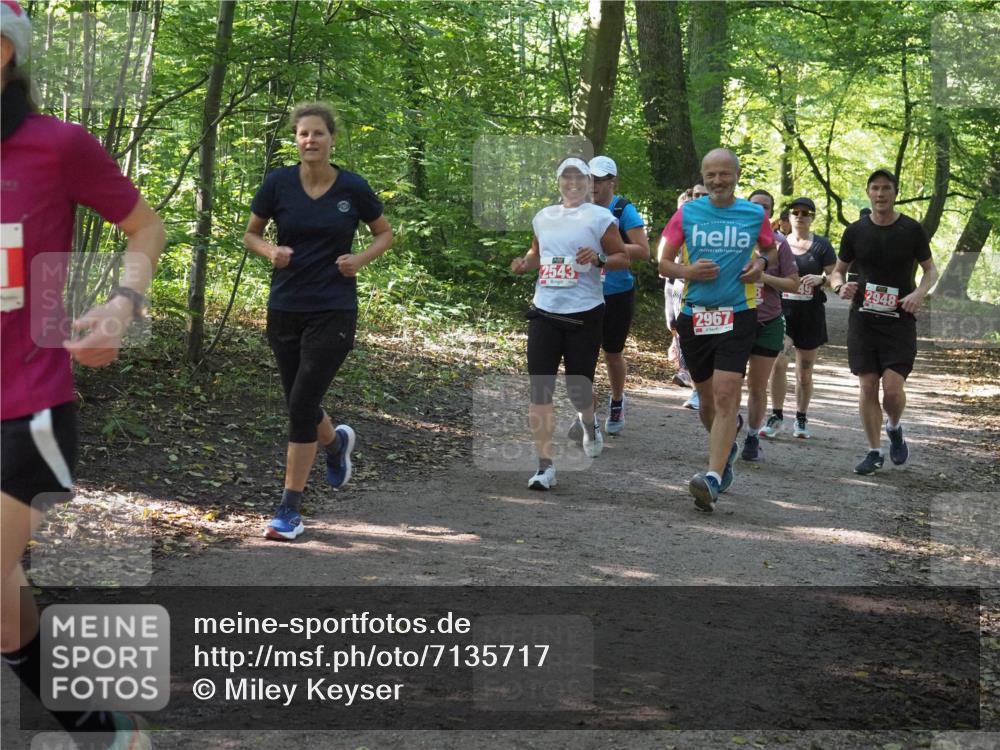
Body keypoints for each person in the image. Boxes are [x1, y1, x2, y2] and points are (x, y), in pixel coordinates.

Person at [1, 3, 165, 746]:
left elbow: (146, 225)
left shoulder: (56, 146)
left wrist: (122, 305)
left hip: (28, 408)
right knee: (3, 598)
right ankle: (103, 726)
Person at [244, 102, 393, 539]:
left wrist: (359, 260)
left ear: (332, 139)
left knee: (301, 405)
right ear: (296, 139)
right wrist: (271, 251)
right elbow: (251, 233)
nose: (310, 141)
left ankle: (289, 509)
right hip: (285, 305)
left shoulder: (352, 188)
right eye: (303, 134)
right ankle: (336, 443)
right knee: (298, 401)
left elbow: (384, 232)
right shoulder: (278, 184)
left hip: (334, 307)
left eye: (318, 134)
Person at [657, 148, 777, 511]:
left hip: (738, 313)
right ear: (703, 176)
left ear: (737, 175)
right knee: (706, 402)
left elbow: (769, 250)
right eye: (711, 174)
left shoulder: (754, 214)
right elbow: (661, 262)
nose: (717, 181)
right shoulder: (687, 213)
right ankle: (727, 450)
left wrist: (760, 263)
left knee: (727, 395)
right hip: (695, 316)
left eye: (724, 174)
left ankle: (711, 478)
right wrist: (688, 272)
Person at [510, 157, 627, 490]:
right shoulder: (543, 217)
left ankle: (590, 424)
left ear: (589, 183)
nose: (573, 183)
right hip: (544, 311)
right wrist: (525, 264)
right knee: (540, 389)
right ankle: (545, 466)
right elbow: (537, 254)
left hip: (585, 312)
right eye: (567, 177)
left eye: (580, 178)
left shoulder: (601, 217)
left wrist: (600, 258)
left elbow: (623, 257)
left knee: (579, 390)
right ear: (559, 182)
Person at [829, 169, 937, 475]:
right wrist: (840, 287)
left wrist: (918, 294)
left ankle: (895, 426)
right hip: (863, 319)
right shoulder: (855, 231)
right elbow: (838, 271)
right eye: (875, 188)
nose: (880, 194)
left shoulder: (912, 230)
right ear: (868, 193)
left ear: (895, 192)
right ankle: (874, 451)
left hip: (899, 319)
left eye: (886, 188)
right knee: (867, 386)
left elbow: (931, 272)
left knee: (891, 389)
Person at [578, 155, 649, 436]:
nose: (594, 185)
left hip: (617, 292)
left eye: (600, 180)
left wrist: (606, 252)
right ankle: (586, 414)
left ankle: (617, 401)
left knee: (612, 354)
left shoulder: (623, 209)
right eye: (590, 179)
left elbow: (643, 251)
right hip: (583, 291)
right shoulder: (578, 209)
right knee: (582, 355)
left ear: (613, 182)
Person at [760, 197, 837, 439]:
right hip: (782, 312)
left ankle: (801, 418)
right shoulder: (780, 244)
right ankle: (777, 415)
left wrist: (821, 280)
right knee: (779, 361)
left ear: (812, 217)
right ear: (789, 216)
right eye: (795, 212)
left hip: (811, 313)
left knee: (804, 371)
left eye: (805, 213)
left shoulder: (822, 246)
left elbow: (836, 276)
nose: (800, 216)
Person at [741, 190, 799, 461]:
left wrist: (762, 276)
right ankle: (728, 427)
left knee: (757, 385)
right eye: (755, 206)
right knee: (725, 385)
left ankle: (752, 436)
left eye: (766, 207)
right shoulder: (733, 240)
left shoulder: (779, 243)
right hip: (735, 321)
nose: (760, 211)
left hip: (768, 321)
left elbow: (793, 283)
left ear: (771, 213)